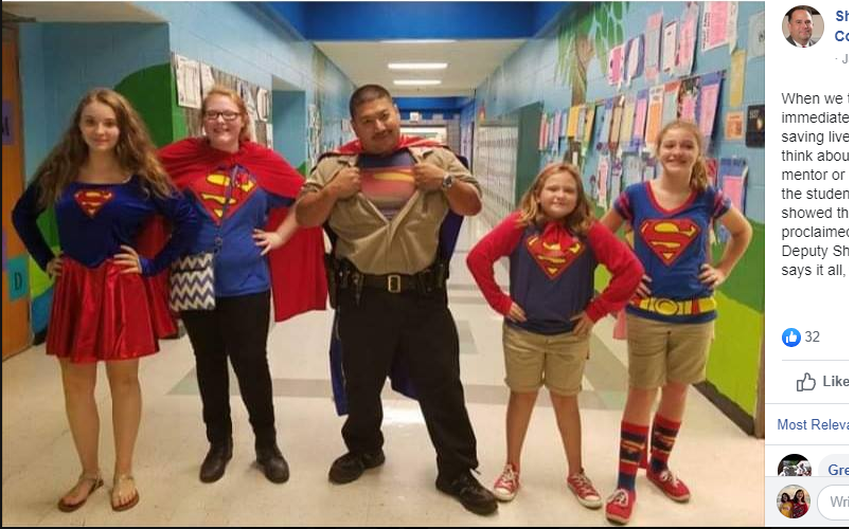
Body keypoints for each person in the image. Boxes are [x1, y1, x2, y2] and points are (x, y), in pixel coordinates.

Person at [295, 84, 497, 515]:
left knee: (443, 384)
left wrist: (443, 181)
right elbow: (305, 215)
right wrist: (332, 192)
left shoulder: (434, 159)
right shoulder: (334, 166)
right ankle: (365, 449)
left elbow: (472, 204)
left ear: (397, 112)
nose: (379, 126)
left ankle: (457, 469)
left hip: (423, 299)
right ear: (355, 126)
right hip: (361, 298)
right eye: (367, 121)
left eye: (384, 115)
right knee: (362, 383)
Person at [11, 88, 199, 512]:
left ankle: (124, 471)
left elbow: (187, 220)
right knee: (76, 385)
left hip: (120, 286)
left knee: (123, 381)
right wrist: (46, 259)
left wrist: (152, 265)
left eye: (109, 123)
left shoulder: (143, 175)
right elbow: (21, 215)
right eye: (91, 122)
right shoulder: (59, 172)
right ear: (79, 127)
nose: (100, 130)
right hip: (75, 286)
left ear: (123, 127)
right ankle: (88, 473)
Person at [158, 87, 327, 485]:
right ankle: (219, 444)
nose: (220, 121)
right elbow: (141, 183)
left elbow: (307, 198)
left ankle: (267, 446)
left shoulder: (262, 162)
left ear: (243, 120)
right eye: (213, 114)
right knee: (208, 364)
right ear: (203, 119)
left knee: (252, 364)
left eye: (229, 114)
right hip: (194, 281)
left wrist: (282, 236)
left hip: (248, 283)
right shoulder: (181, 159)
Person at [599, 120, 754, 524]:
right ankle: (625, 482)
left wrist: (723, 270)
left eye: (687, 145)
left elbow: (743, 233)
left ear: (698, 153)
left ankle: (659, 466)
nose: (678, 152)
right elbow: (601, 237)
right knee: (641, 392)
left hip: (696, 314)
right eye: (670, 144)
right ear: (657, 149)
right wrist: (627, 276)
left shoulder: (709, 198)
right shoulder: (635, 196)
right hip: (647, 314)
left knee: (677, 392)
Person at [465, 163, 643, 508]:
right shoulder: (519, 225)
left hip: (569, 335)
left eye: (569, 190)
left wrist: (596, 310)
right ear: (537, 193)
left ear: (579, 198)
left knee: (566, 400)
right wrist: (501, 301)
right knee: (522, 397)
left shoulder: (589, 231)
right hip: (523, 334)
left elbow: (631, 270)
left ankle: (576, 472)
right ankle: (511, 467)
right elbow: (478, 257)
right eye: (552, 189)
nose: (560, 195)